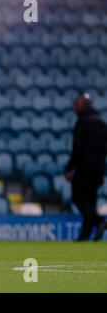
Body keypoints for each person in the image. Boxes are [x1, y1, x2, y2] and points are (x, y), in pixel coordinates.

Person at [65, 93, 107, 241]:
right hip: (99, 169)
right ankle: (84, 236)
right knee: (90, 201)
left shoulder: (82, 123)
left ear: (83, 105)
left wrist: (69, 168)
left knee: (77, 197)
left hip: (84, 168)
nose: (74, 108)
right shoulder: (101, 122)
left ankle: (99, 221)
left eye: (76, 104)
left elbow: (77, 148)